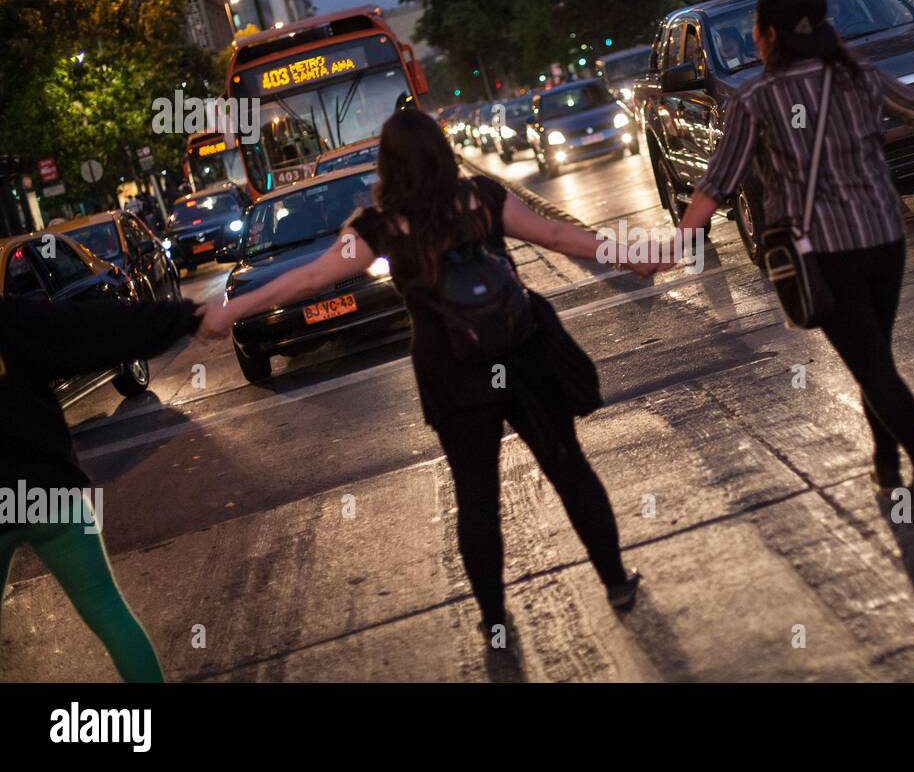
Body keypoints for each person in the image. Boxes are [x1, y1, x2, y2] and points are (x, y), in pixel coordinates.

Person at [198, 111, 646, 639]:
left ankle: (494, 620)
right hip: (520, 354)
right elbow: (558, 236)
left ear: (387, 165)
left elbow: (309, 277)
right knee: (570, 471)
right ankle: (616, 581)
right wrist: (640, 255)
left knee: (476, 497)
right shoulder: (480, 197)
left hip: (452, 373)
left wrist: (230, 311)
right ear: (442, 150)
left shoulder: (378, 226)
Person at [651, 0, 914, 491]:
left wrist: (676, 245)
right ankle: (886, 462)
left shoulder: (756, 98)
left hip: (824, 252)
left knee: (872, 367)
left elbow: (718, 183)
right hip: (884, 240)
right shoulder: (858, 77)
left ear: (767, 36)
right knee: (875, 358)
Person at [1, 294, 203, 682]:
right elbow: (98, 327)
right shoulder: (14, 317)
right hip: (51, 494)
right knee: (110, 613)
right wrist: (184, 316)